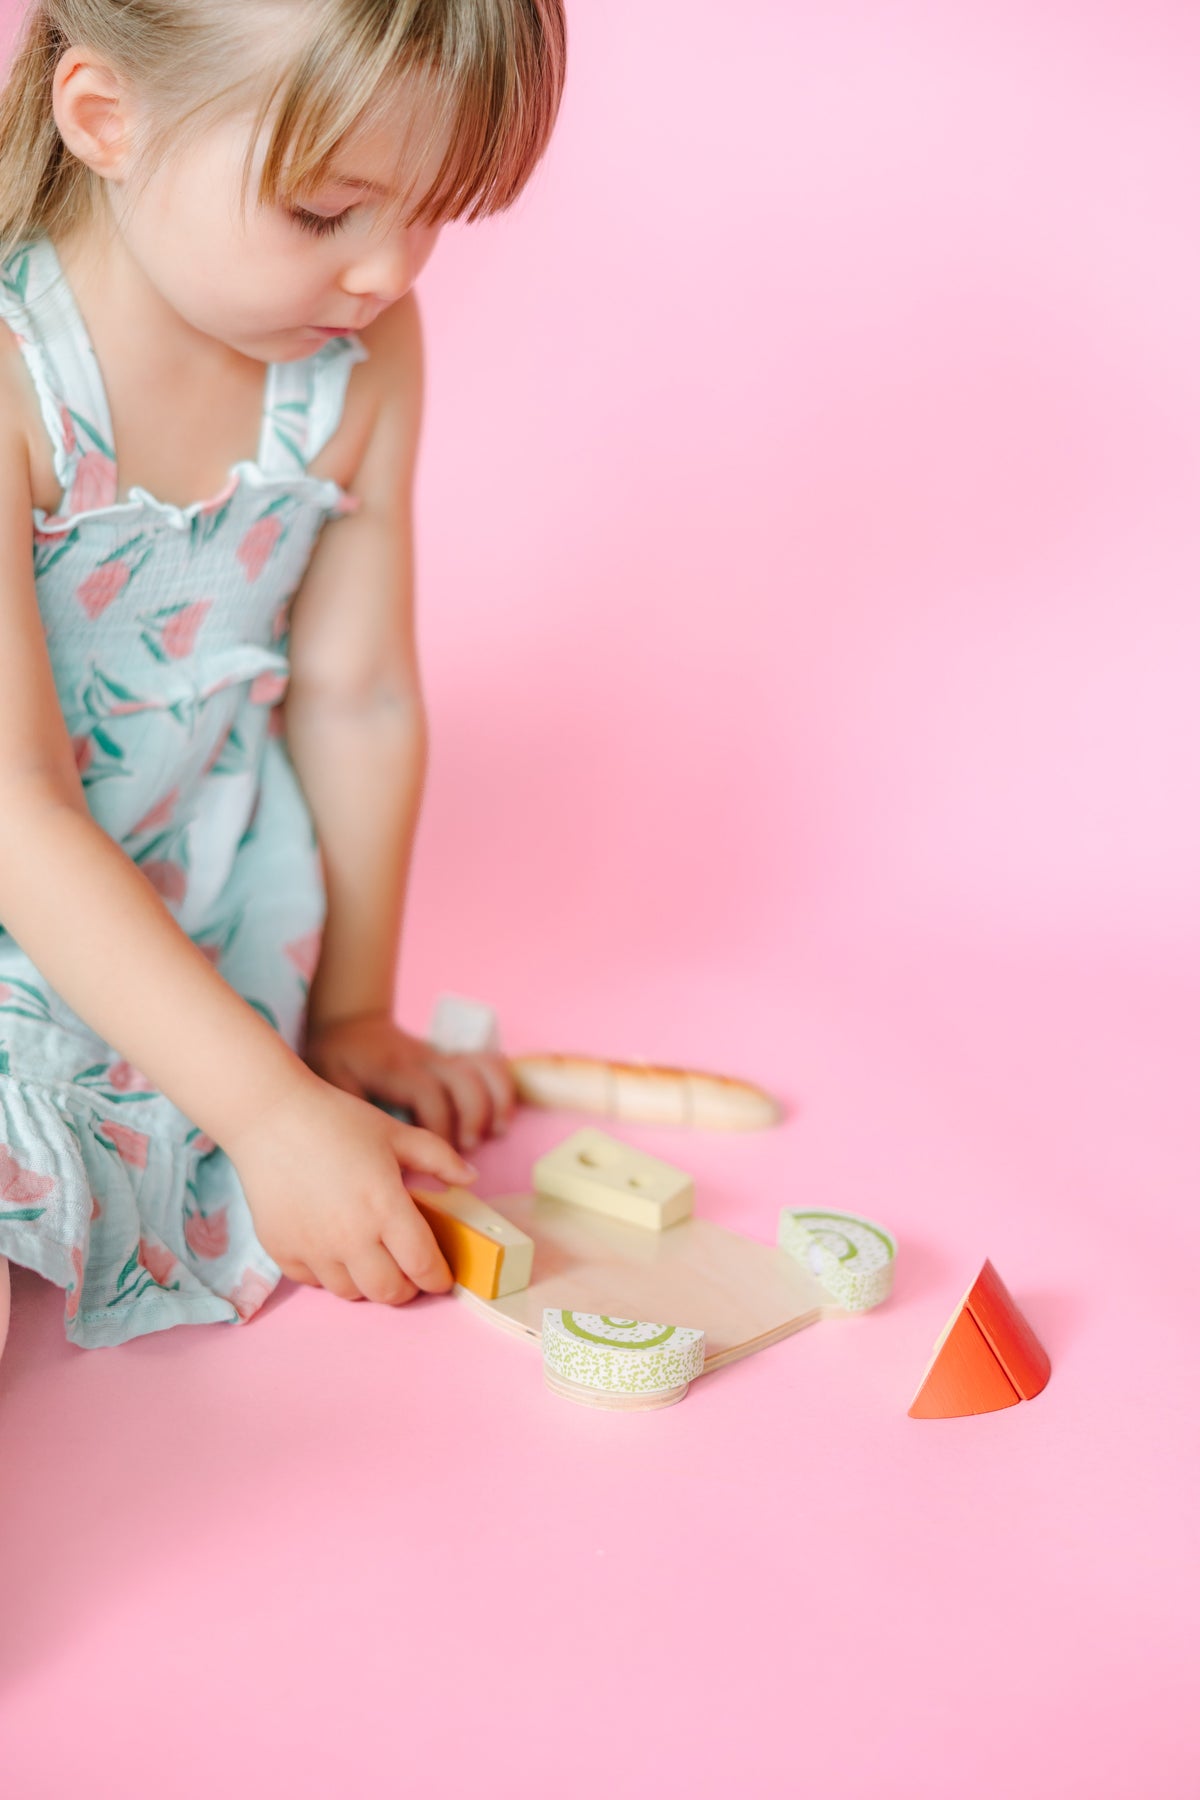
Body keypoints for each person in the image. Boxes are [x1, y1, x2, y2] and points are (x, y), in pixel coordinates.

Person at [0, 0, 567, 1351]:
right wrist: (261, 1110)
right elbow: (15, 805)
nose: (387, 271)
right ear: (105, 121)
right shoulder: (20, 382)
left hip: (192, 926)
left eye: (430, 212)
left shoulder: (361, 355)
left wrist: (351, 1015)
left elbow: (358, 694)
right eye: (328, 213)